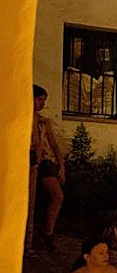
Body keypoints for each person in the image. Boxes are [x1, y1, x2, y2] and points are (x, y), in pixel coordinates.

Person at [30, 84, 65, 249]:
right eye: (39, 100)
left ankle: (47, 232)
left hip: (46, 162)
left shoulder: (44, 122)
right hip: (34, 161)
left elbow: (53, 143)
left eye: (44, 100)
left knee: (56, 196)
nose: (42, 104)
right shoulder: (25, 120)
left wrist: (61, 164)